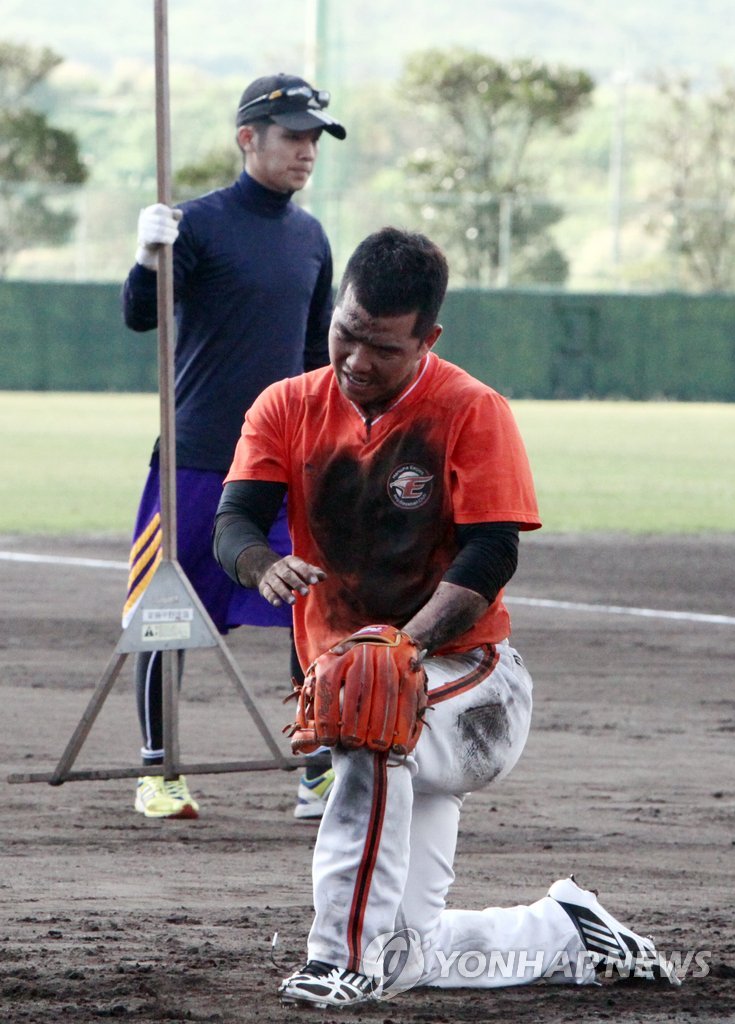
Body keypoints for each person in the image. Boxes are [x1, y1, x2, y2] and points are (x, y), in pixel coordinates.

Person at [212, 227, 682, 1008]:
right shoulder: (287, 406)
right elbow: (234, 522)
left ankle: (336, 959)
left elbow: (491, 555)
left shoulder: (469, 410)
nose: (357, 360)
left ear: (427, 339)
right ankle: (567, 930)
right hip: (370, 687)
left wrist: (405, 644)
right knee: (410, 952)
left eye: (383, 349)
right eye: (347, 334)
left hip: (474, 685)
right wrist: (262, 566)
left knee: (371, 706)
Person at [121, 73, 345, 821]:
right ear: (248, 137)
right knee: (166, 610)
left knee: (309, 602)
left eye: (315, 138)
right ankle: (160, 772)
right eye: (293, 136)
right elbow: (136, 317)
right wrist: (150, 254)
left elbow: (319, 359)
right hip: (195, 454)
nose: (306, 151)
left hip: (283, 462)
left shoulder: (312, 238)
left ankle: (316, 768)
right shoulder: (197, 224)